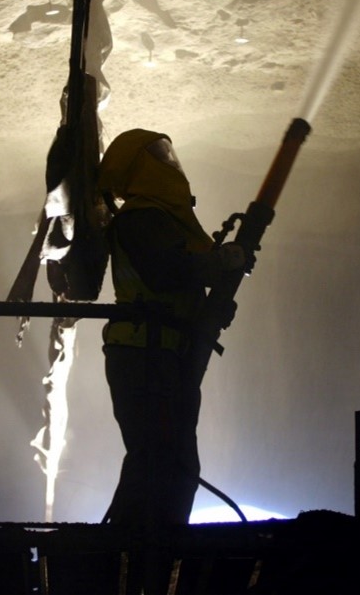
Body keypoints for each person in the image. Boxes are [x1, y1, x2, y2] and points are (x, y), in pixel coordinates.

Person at [96, 129, 245, 531]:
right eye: (159, 154)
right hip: (146, 353)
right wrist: (219, 265)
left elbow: (171, 281)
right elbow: (164, 273)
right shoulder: (142, 216)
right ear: (139, 166)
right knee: (163, 462)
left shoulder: (159, 218)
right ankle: (139, 551)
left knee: (167, 462)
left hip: (158, 352)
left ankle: (143, 549)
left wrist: (207, 309)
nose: (170, 161)